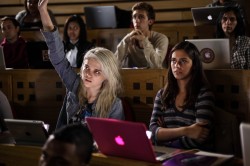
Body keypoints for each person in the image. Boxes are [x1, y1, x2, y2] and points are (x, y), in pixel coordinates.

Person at [37, 0, 124, 130]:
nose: (88, 74)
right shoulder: (76, 85)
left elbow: (116, 138)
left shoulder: (114, 105)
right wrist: (43, 11)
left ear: (107, 76)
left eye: (97, 72)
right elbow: (58, 58)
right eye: (86, 67)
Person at [149, 41, 215, 151]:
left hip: (196, 156)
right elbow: (152, 132)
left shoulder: (204, 95)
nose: (177, 65)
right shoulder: (162, 94)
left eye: (183, 61)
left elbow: (200, 137)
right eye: (173, 61)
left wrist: (166, 136)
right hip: (166, 154)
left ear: (194, 65)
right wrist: (187, 131)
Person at [114, 2, 169, 68]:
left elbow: (157, 65)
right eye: (134, 17)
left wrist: (144, 41)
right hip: (133, 77)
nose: (136, 20)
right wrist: (125, 42)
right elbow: (114, 64)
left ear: (150, 21)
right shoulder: (128, 38)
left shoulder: (161, 38)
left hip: (156, 76)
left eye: (141, 17)